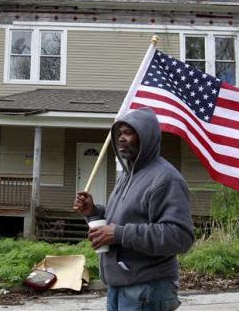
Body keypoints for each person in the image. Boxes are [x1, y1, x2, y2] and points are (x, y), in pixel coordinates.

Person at [74, 107, 194, 311]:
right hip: (119, 285)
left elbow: (180, 236)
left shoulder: (166, 179)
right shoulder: (128, 176)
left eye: (128, 132)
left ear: (146, 137)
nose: (121, 138)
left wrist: (119, 234)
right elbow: (122, 219)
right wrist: (93, 212)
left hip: (148, 288)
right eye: (120, 133)